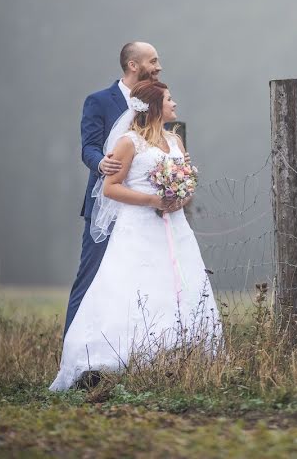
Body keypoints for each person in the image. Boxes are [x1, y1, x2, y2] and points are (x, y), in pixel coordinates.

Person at [50, 80, 222, 391]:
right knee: (135, 287)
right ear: (155, 107)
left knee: (179, 284)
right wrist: (154, 201)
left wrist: (180, 198)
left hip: (175, 226)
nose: (175, 105)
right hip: (139, 226)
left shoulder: (175, 142)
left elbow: (187, 183)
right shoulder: (129, 143)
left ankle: (178, 355)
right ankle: (113, 358)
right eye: (169, 99)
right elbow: (110, 187)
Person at [64, 42, 163, 338]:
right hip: (105, 203)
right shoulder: (99, 101)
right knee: (91, 277)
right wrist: (100, 164)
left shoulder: (156, 100)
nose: (158, 67)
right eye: (153, 61)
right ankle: (72, 352)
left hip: (142, 209)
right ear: (134, 65)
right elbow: (89, 147)